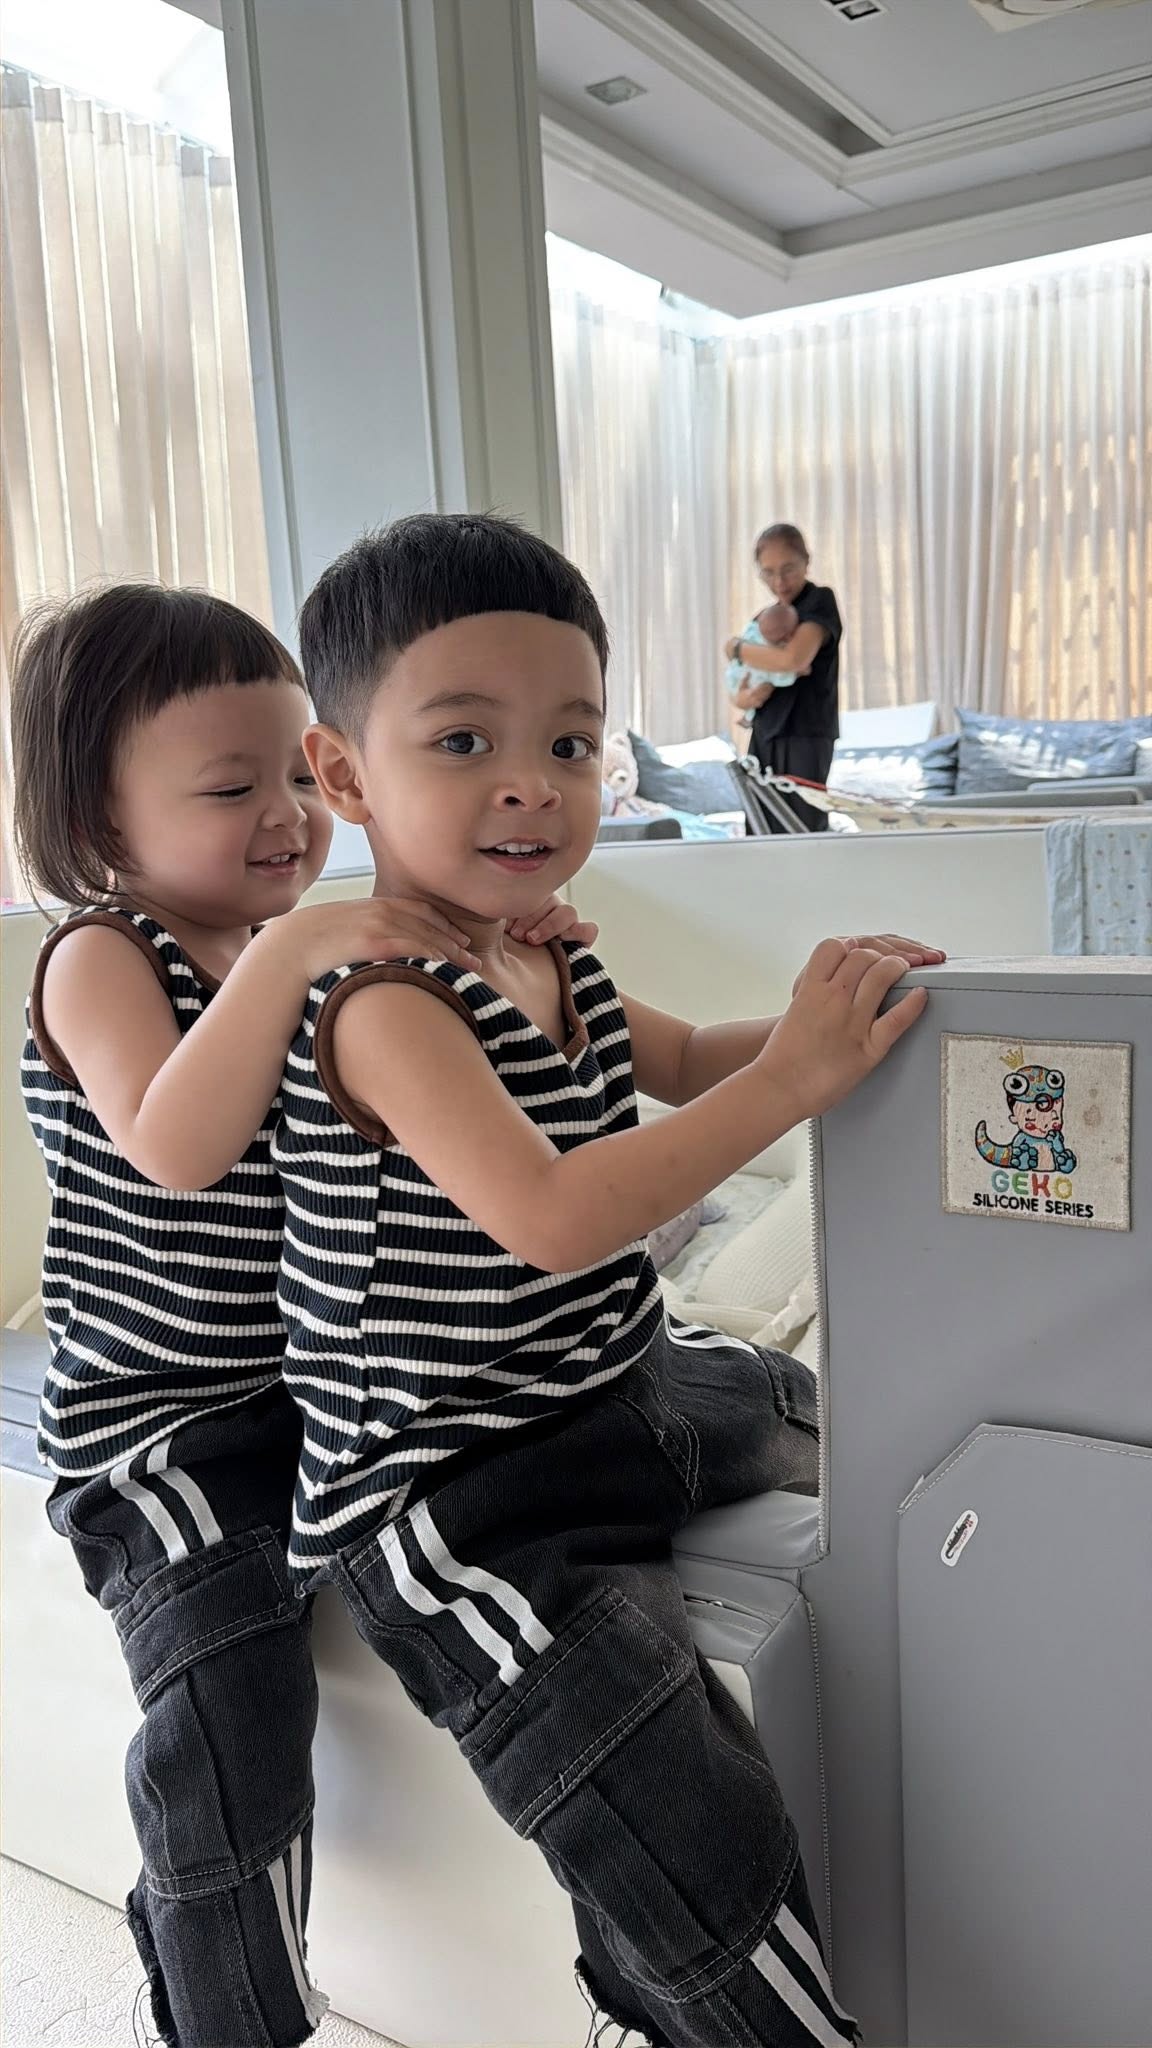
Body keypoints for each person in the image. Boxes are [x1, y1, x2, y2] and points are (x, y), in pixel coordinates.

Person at [271, 513, 942, 2047]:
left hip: (617, 1387)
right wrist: (789, 1083)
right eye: (465, 740)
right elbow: (557, 1217)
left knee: (820, 1412)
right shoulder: (384, 1002)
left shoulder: (550, 951)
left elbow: (694, 1058)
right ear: (345, 775)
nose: (532, 781)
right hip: (459, 1493)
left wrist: (836, 1023)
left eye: (572, 742)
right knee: (688, 1825)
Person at [10, 582, 597, 2048]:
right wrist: (299, 952)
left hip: (317, 1392)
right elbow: (172, 1143)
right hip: (164, 1433)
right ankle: (224, 2012)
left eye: (295, 772)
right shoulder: (102, 953)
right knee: (232, 1717)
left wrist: (505, 939)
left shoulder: (319, 953)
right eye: (229, 788)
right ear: (96, 816)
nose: (284, 815)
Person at [725, 525, 842, 831]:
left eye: (788, 569)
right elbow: (740, 686)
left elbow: (793, 660)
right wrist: (745, 698)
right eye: (768, 572)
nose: (779, 582)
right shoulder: (765, 619)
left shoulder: (819, 602)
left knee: (803, 828)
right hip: (764, 733)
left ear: (806, 561)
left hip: (806, 732)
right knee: (760, 827)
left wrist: (736, 648)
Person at [726, 601, 800, 728]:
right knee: (763, 688)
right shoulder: (772, 649)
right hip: (747, 677)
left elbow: (732, 646)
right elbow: (782, 673)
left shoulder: (753, 630)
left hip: (733, 674)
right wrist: (796, 674)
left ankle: (748, 717)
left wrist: (735, 649)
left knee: (754, 692)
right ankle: (748, 717)